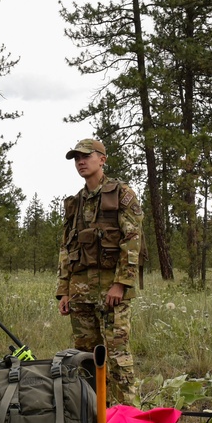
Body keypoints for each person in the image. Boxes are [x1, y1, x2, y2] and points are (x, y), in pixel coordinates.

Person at [56, 138, 143, 405]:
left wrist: (121, 284)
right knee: (85, 359)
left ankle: (128, 419)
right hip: (80, 293)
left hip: (111, 291)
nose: (80, 161)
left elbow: (132, 240)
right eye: (76, 158)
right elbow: (66, 248)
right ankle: (95, 418)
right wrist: (63, 291)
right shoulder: (75, 203)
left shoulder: (122, 194)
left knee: (117, 357)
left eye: (86, 156)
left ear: (102, 159)